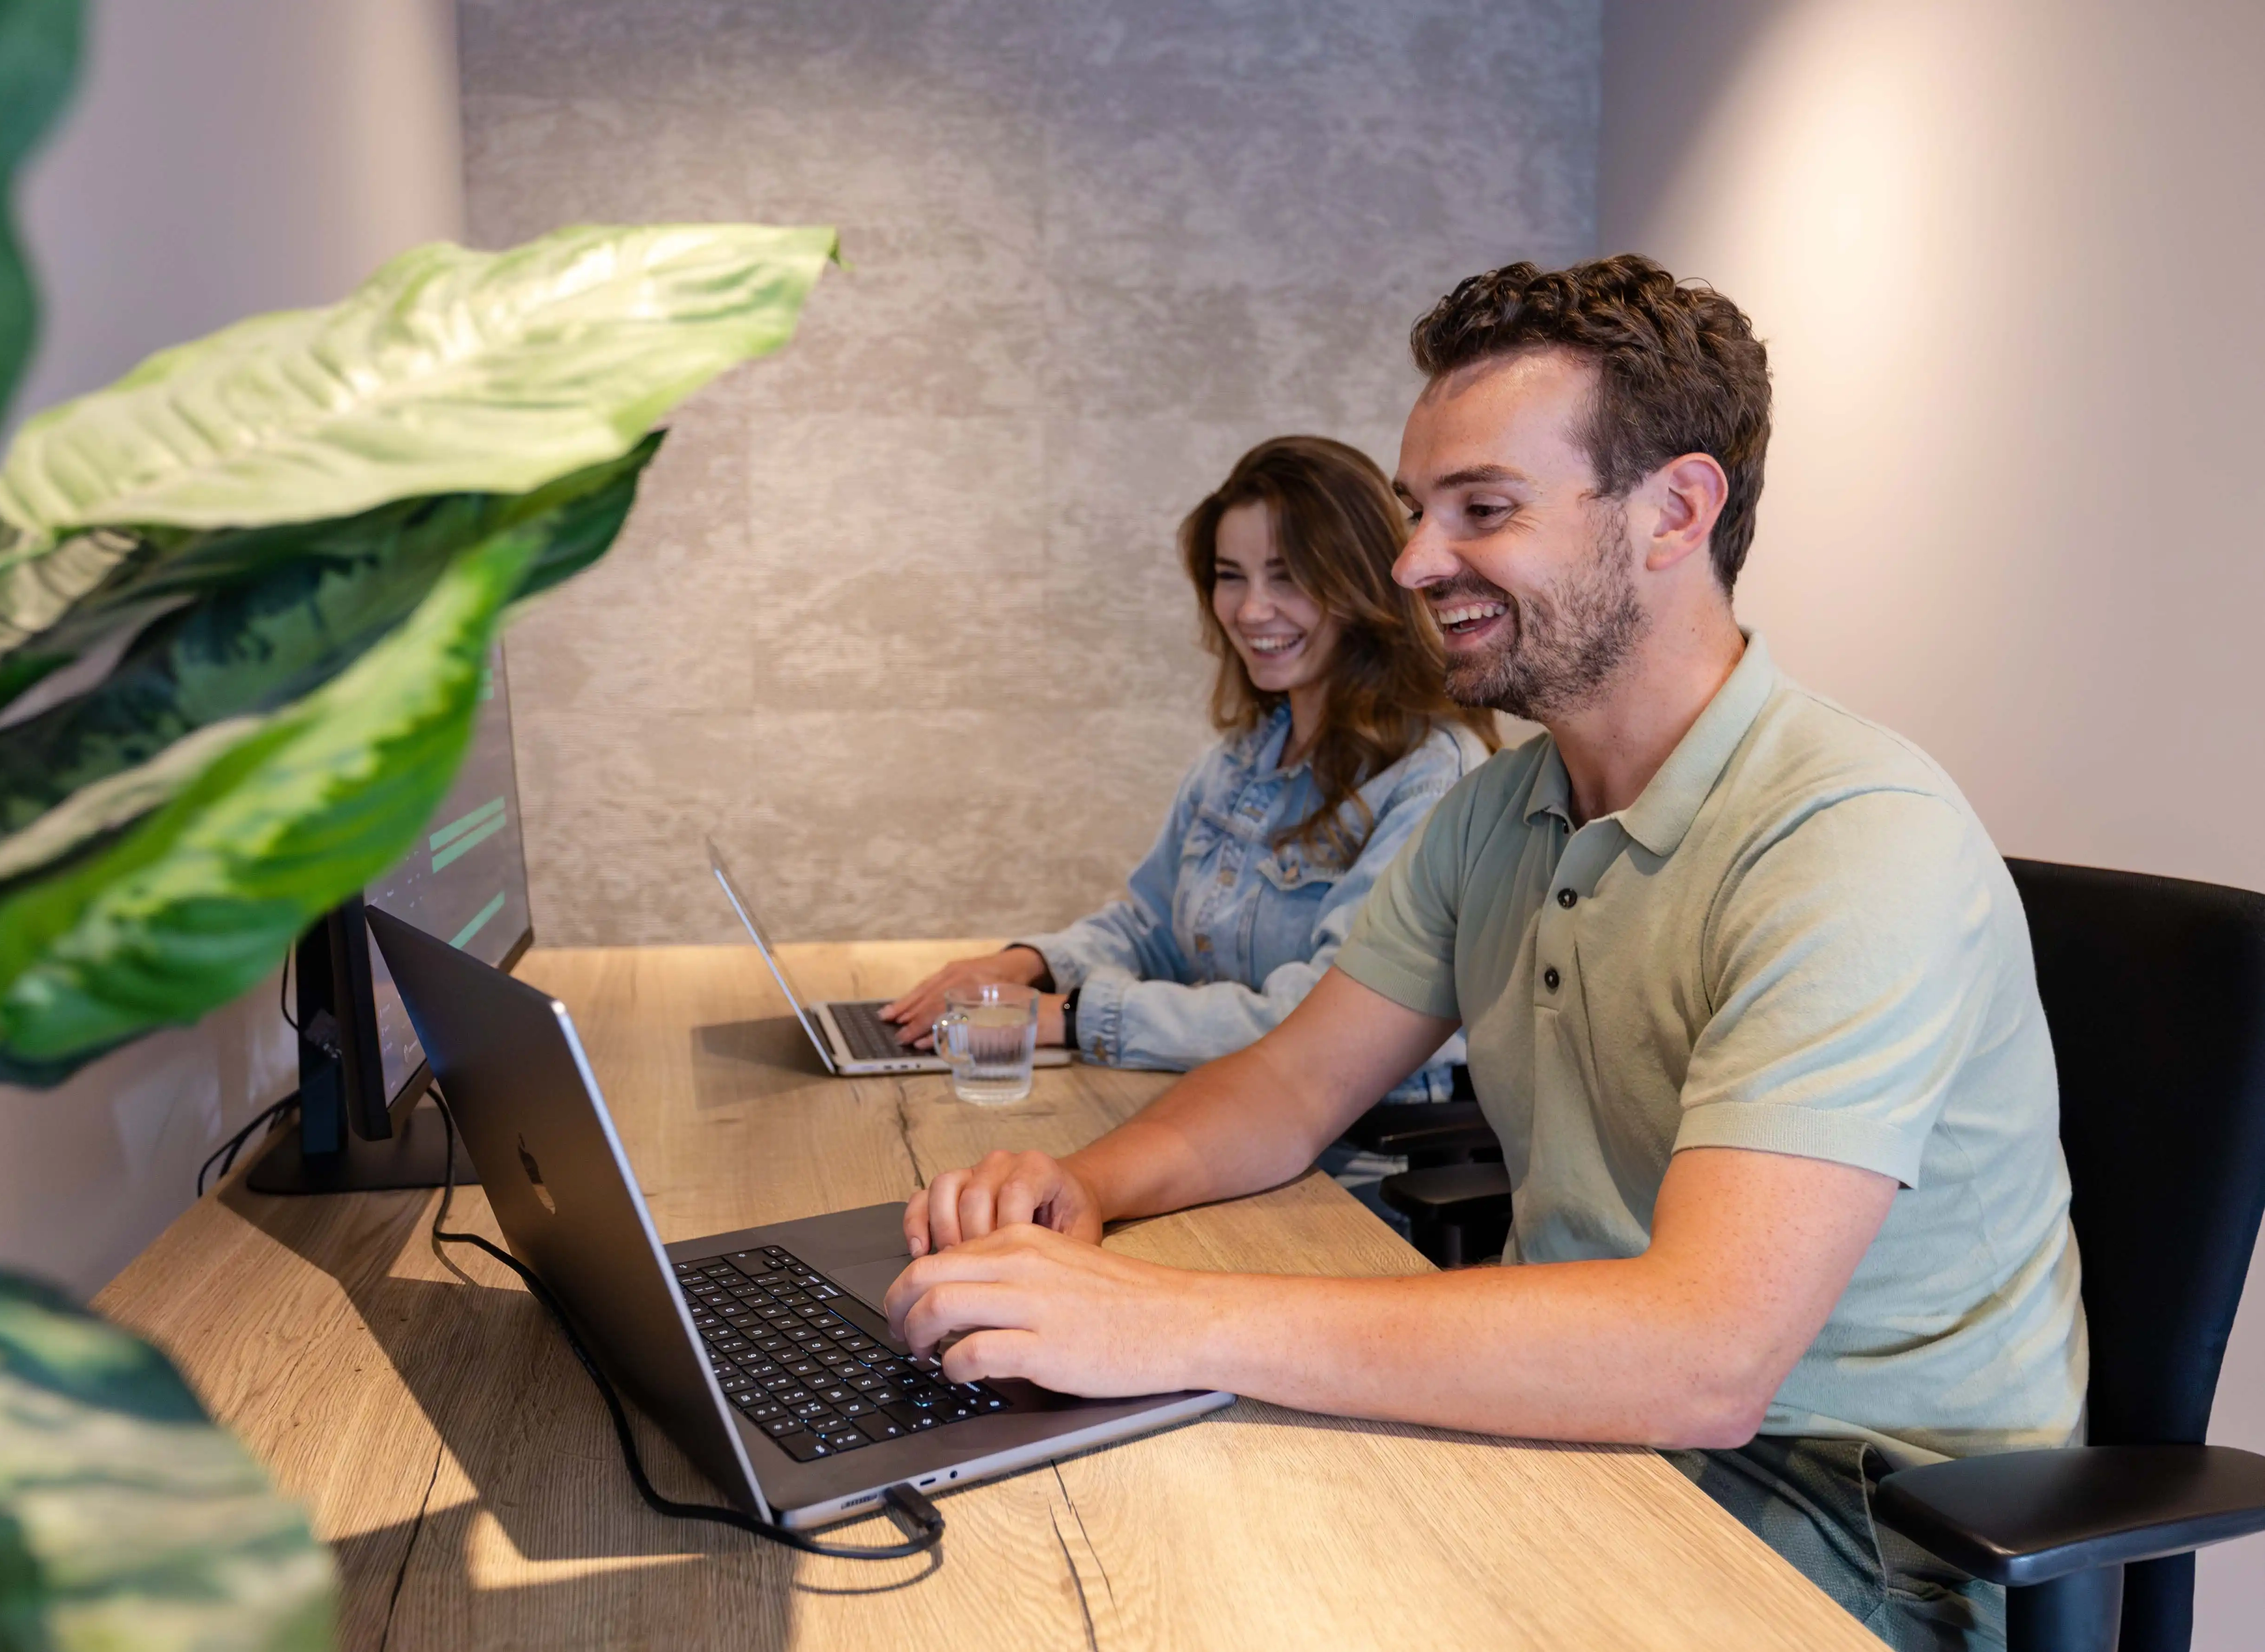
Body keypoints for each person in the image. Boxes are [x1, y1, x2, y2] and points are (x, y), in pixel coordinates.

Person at [883, 257, 2085, 1652]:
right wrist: (1073, 1194)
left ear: (1673, 513)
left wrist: (1168, 1321)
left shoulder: (1848, 840)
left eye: (1483, 510)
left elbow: (1703, 1359)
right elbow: (1287, 1090)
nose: (1408, 564)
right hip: (1592, 1426)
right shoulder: (1499, 811)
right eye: (1415, 511)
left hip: (1853, 1526)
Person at [879, 435, 1494, 1211]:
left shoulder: (1434, 776)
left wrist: (1071, 1017)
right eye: (1229, 577)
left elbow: (1309, 1024)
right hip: (1217, 1125)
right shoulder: (1245, 757)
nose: (1250, 610)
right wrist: (1027, 967)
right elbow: (1152, 927)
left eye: (1288, 577)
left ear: (1363, 584)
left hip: (1353, 1172)